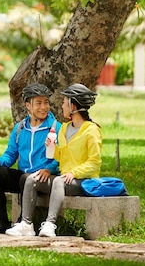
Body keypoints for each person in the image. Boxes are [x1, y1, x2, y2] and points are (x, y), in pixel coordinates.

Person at [6, 83, 102, 238]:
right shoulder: (64, 128)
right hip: (65, 178)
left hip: (83, 180)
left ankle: (50, 224)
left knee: (58, 181)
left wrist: (74, 172)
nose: (62, 105)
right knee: (31, 179)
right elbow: (61, 156)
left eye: (65, 102)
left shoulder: (91, 130)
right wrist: (52, 148)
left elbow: (95, 162)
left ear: (73, 106)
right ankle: (26, 225)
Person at [0, 82, 61, 234]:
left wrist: (49, 169)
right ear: (28, 106)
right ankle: (2, 221)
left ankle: (22, 221)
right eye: (38, 103)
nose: (43, 107)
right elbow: (10, 155)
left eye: (46, 102)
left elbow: (62, 156)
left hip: (43, 177)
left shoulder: (56, 128)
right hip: (23, 178)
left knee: (26, 178)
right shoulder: (20, 128)